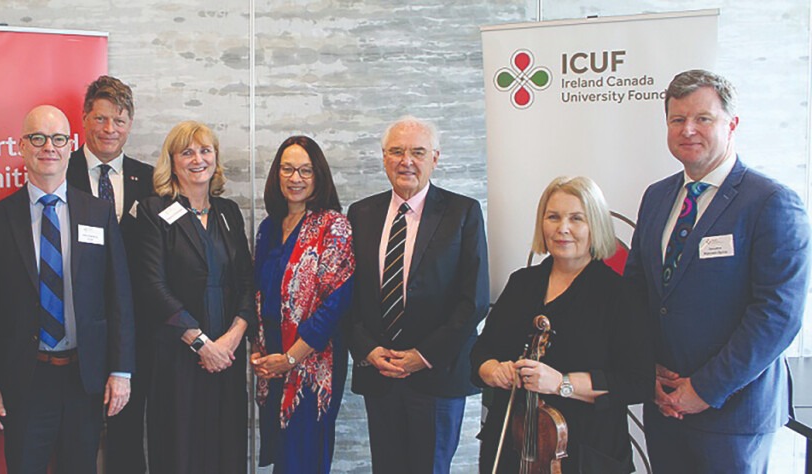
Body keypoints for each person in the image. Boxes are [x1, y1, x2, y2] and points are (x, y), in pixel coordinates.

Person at [623, 69, 811, 473]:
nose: (688, 129)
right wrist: (647, 370)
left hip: (734, 414)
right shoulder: (657, 197)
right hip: (665, 404)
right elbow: (637, 291)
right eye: (677, 119)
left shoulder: (772, 202)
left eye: (703, 118)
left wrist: (705, 389)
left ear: (732, 124)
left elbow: (778, 314)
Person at [0, 105, 135, 473]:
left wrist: (121, 371)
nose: (49, 147)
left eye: (59, 138)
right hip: (24, 380)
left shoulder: (98, 213)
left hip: (85, 377)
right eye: (38, 138)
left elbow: (119, 295)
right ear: (22, 146)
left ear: (70, 145)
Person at [471, 176, 653, 473]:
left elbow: (637, 383)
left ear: (595, 226)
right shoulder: (522, 283)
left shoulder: (618, 294)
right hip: (512, 448)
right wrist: (494, 370)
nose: (562, 228)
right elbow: (480, 352)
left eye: (576, 218)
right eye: (553, 217)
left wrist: (561, 384)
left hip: (588, 453)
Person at [347, 115, 490, 473]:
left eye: (417, 152)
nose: (406, 161)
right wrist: (367, 350)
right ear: (383, 158)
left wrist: (423, 355)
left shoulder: (463, 212)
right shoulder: (360, 214)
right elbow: (346, 296)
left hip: (437, 375)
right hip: (380, 374)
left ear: (435, 158)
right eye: (396, 151)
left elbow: (474, 299)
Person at [137, 120, 255, 474]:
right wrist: (201, 344)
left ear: (215, 159)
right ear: (171, 161)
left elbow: (247, 283)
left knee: (226, 449)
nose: (197, 159)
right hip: (178, 357)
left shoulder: (229, 213)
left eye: (205, 151)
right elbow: (152, 287)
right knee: (180, 454)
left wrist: (231, 339)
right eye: (186, 152)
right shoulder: (153, 211)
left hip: (227, 357)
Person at [65, 75, 154, 473]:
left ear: (130, 123)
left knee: (127, 435)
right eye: (100, 119)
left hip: (133, 331)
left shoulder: (152, 180)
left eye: (118, 121)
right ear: (84, 120)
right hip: (74, 330)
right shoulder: (57, 172)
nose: (109, 130)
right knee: (76, 437)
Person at [251, 136, 354, 473]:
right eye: (288, 169)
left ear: (318, 176)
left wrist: (292, 357)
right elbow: (258, 294)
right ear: (276, 175)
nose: (295, 178)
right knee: (283, 457)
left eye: (305, 171)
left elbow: (335, 304)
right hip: (273, 361)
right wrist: (258, 349)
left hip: (311, 364)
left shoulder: (333, 226)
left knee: (304, 458)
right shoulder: (268, 228)